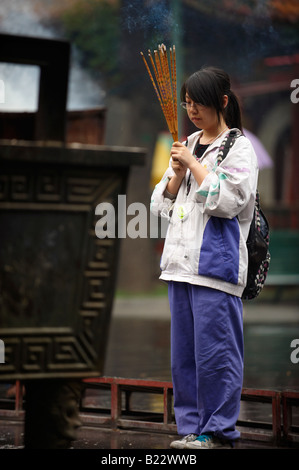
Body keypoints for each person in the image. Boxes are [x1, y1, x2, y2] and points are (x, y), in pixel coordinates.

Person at [150, 66, 258, 449]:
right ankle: (192, 430)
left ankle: (218, 432)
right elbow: (158, 208)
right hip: (180, 267)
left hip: (215, 268)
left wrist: (195, 167)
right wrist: (177, 173)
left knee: (217, 356)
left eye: (199, 102)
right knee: (185, 358)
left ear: (223, 102)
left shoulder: (239, 148)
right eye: (188, 102)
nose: (191, 110)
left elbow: (227, 203)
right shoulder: (187, 142)